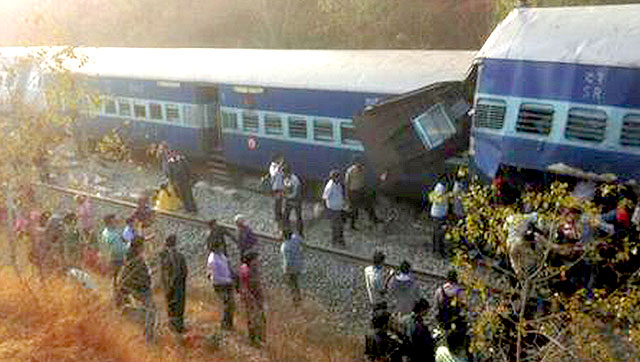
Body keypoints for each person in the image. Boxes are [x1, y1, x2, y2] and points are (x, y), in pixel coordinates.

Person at [116, 236, 155, 344]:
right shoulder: (137, 260)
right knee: (151, 311)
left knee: (148, 311)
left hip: (134, 288)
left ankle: (130, 312)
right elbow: (139, 276)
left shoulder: (131, 256)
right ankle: (148, 339)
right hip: (140, 289)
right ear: (139, 247)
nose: (144, 247)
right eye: (143, 245)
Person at [434, 270, 468, 358]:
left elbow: (437, 305)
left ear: (447, 278)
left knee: (442, 336)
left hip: (443, 320)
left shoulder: (439, 290)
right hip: (454, 320)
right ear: (456, 279)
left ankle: (441, 351)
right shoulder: (459, 291)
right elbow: (464, 306)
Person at [159, 234, 188, 334]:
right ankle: (178, 327)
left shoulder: (163, 256)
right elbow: (184, 272)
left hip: (168, 285)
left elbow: (163, 272)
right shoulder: (179, 256)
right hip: (178, 285)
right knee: (179, 306)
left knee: (170, 305)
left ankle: (173, 326)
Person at [207, 239, 236, 330]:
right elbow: (215, 277)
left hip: (227, 283)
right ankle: (225, 325)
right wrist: (229, 280)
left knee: (231, 304)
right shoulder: (212, 260)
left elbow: (228, 267)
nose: (222, 247)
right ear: (216, 248)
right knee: (227, 304)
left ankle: (229, 324)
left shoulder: (222, 256)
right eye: (220, 246)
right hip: (220, 285)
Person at [239, 252, 266, 347]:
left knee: (257, 318)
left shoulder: (248, 269)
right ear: (251, 261)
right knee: (255, 319)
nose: (258, 261)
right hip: (252, 299)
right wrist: (252, 299)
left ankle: (256, 339)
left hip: (254, 298)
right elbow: (247, 287)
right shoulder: (248, 271)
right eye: (256, 259)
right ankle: (255, 340)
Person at [345, 157, 379, 230]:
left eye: (361, 163)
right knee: (354, 210)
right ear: (355, 163)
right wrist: (347, 195)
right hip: (353, 192)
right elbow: (347, 183)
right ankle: (351, 224)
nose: (360, 164)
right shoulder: (350, 171)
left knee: (368, 206)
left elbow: (363, 181)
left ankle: (374, 219)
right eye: (359, 163)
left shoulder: (363, 170)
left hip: (361, 190)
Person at [100, 214, 127, 289]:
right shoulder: (108, 233)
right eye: (114, 221)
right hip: (114, 259)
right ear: (110, 222)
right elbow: (113, 249)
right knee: (115, 278)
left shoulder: (115, 231)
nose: (116, 222)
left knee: (118, 278)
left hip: (119, 258)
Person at [322, 170, 345, 247]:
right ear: (334, 178)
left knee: (339, 225)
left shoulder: (338, 184)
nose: (340, 178)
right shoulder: (330, 186)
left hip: (339, 207)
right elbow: (325, 197)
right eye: (338, 177)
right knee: (336, 225)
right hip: (333, 209)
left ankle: (339, 239)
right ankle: (335, 240)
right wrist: (326, 210)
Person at [281, 229, 304, 305]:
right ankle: (299, 295)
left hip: (291, 267)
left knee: (292, 283)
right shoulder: (295, 239)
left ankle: (295, 299)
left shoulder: (285, 247)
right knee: (296, 281)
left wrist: (285, 271)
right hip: (298, 264)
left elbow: (287, 261)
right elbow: (300, 239)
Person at [283, 166, 304, 237]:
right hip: (288, 200)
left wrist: (287, 196)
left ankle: (300, 232)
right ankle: (286, 230)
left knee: (298, 217)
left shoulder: (295, 181)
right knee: (286, 215)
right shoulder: (286, 179)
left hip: (296, 201)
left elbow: (296, 193)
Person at [429, 182, 448, 257]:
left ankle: (436, 250)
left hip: (438, 214)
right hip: (439, 215)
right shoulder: (441, 189)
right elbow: (439, 201)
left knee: (437, 233)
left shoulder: (438, 187)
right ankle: (438, 251)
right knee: (439, 234)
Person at [267, 153, 285, 226]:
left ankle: (279, 214)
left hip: (280, 186)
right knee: (277, 201)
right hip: (276, 187)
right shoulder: (273, 167)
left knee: (280, 201)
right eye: (280, 160)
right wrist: (278, 167)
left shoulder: (279, 167)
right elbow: (274, 174)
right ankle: (277, 216)